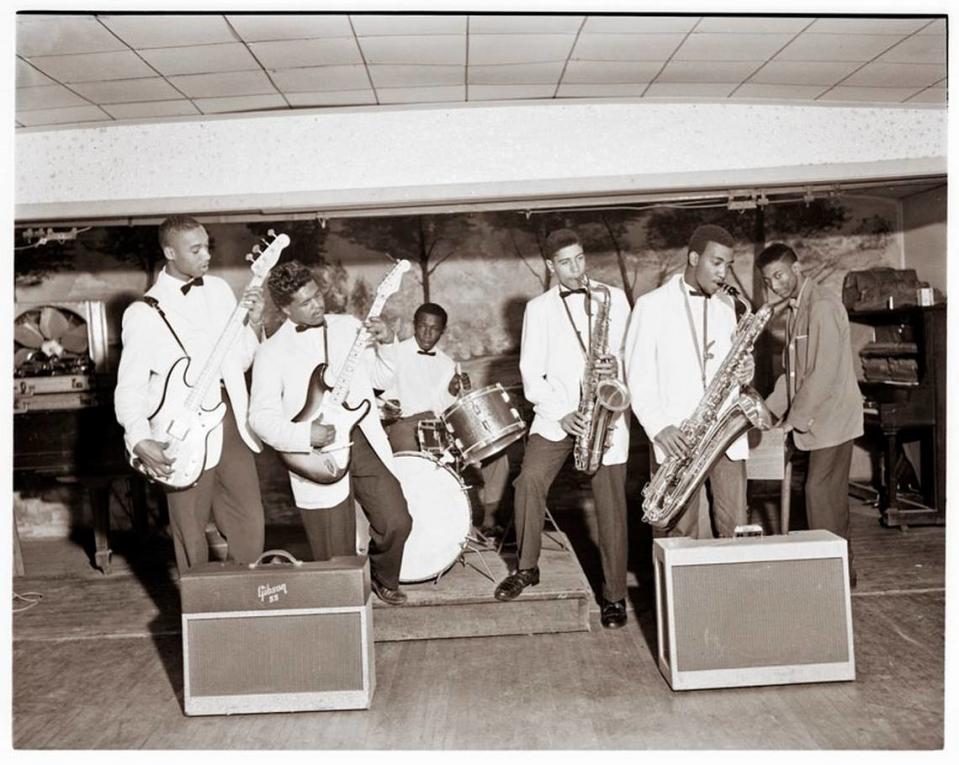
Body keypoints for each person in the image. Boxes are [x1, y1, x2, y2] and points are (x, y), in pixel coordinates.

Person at [249, 260, 412, 605]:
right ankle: (345, 613)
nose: (317, 304)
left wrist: (385, 343)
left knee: (396, 520)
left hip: (362, 439)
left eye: (316, 295)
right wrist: (306, 436)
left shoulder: (347, 326)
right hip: (317, 455)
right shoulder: (271, 353)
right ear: (284, 309)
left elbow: (381, 380)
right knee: (333, 557)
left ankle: (382, 577)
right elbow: (261, 418)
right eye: (305, 302)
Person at [493, 228, 631, 630]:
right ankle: (527, 566)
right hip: (558, 414)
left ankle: (614, 596)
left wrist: (615, 369)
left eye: (581, 259)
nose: (577, 270)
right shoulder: (538, 309)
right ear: (551, 267)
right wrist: (562, 412)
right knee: (528, 481)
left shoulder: (614, 298)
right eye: (566, 263)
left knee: (610, 506)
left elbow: (629, 353)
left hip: (605, 413)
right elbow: (530, 374)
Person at [114, 215, 265, 574]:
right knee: (190, 535)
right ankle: (201, 616)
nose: (206, 255)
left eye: (207, 246)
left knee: (251, 524)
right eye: (195, 249)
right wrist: (138, 438)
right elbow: (130, 385)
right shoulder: (143, 313)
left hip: (229, 421)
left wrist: (255, 323)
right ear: (169, 251)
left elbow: (239, 361)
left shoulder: (219, 290)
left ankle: (238, 599)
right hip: (181, 432)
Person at [625, 224, 753, 540]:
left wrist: (746, 370)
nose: (724, 273)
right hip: (679, 438)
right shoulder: (651, 306)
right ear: (694, 257)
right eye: (716, 262)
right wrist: (659, 426)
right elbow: (637, 374)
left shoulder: (727, 307)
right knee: (679, 534)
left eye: (728, 264)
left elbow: (728, 362)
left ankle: (733, 590)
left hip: (725, 434)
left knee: (736, 530)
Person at [757, 242, 863, 586]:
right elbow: (792, 376)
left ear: (797, 267)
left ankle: (831, 578)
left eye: (780, 274)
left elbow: (822, 374)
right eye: (768, 279)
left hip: (833, 420)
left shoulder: (822, 306)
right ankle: (840, 574)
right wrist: (765, 411)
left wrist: (792, 421)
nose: (775, 284)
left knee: (820, 494)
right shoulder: (796, 309)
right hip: (820, 420)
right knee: (826, 498)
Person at [379, 302, 509, 533]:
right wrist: (389, 408)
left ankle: (490, 518)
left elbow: (444, 408)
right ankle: (419, 522)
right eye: (423, 326)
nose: (428, 333)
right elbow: (382, 396)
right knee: (413, 455)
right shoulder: (394, 352)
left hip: (441, 425)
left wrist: (452, 389)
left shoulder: (449, 364)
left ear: (443, 330)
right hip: (404, 424)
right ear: (414, 325)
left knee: (496, 451)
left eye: (435, 328)